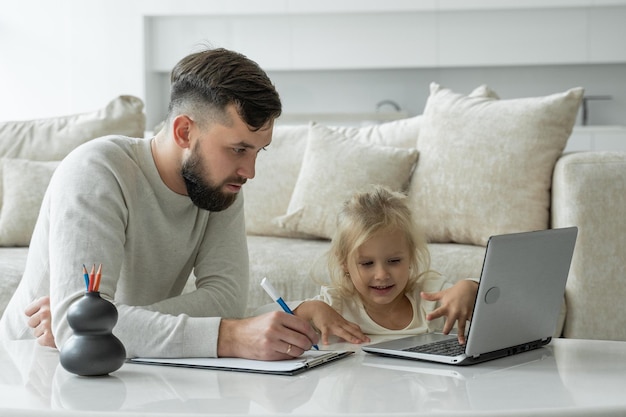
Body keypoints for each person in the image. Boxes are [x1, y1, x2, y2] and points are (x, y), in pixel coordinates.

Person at [0, 47, 319, 360]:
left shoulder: (222, 186)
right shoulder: (97, 170)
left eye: (256, 152)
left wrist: (103, 322)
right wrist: (229, 336)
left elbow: (226, 302)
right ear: (184, 132)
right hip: (33, 367)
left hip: (129, 365)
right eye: (238, 149)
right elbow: (79, 335)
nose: (249, 171)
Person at [292, 185, 478, 345]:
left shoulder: (430, 296)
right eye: (367, 263)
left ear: (411, 256)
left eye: (394, 261)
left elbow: (495, 306)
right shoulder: (335, 306)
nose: (381, 274)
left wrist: (470, 288)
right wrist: (309, 308)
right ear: (344, 263)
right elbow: (269, 319)